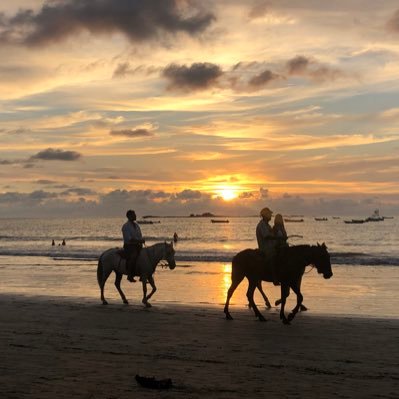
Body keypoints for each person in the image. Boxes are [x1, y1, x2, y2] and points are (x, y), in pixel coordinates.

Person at [256, 207, 279, 285]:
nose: (270, 216)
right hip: (266, 249)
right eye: (269, 214)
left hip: (271, 247)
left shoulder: (267, 225)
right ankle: (275, 277)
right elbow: (266, 236)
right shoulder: (261, 225)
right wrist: (277, 237)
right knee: (274, 257)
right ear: (265, 215)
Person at [122, 209, 145, 282]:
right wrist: (139, 241)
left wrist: (141, 240)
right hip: (129, 246)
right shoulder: (125, 226)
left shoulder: (137, 225)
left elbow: (140, 236)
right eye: (133, 214)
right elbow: (129, 239)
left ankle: (143, 274)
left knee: (146, 256)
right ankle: (130, 275)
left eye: (135, 214)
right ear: (129, 216)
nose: (135, 216)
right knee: (133, 256)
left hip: (138, 246)